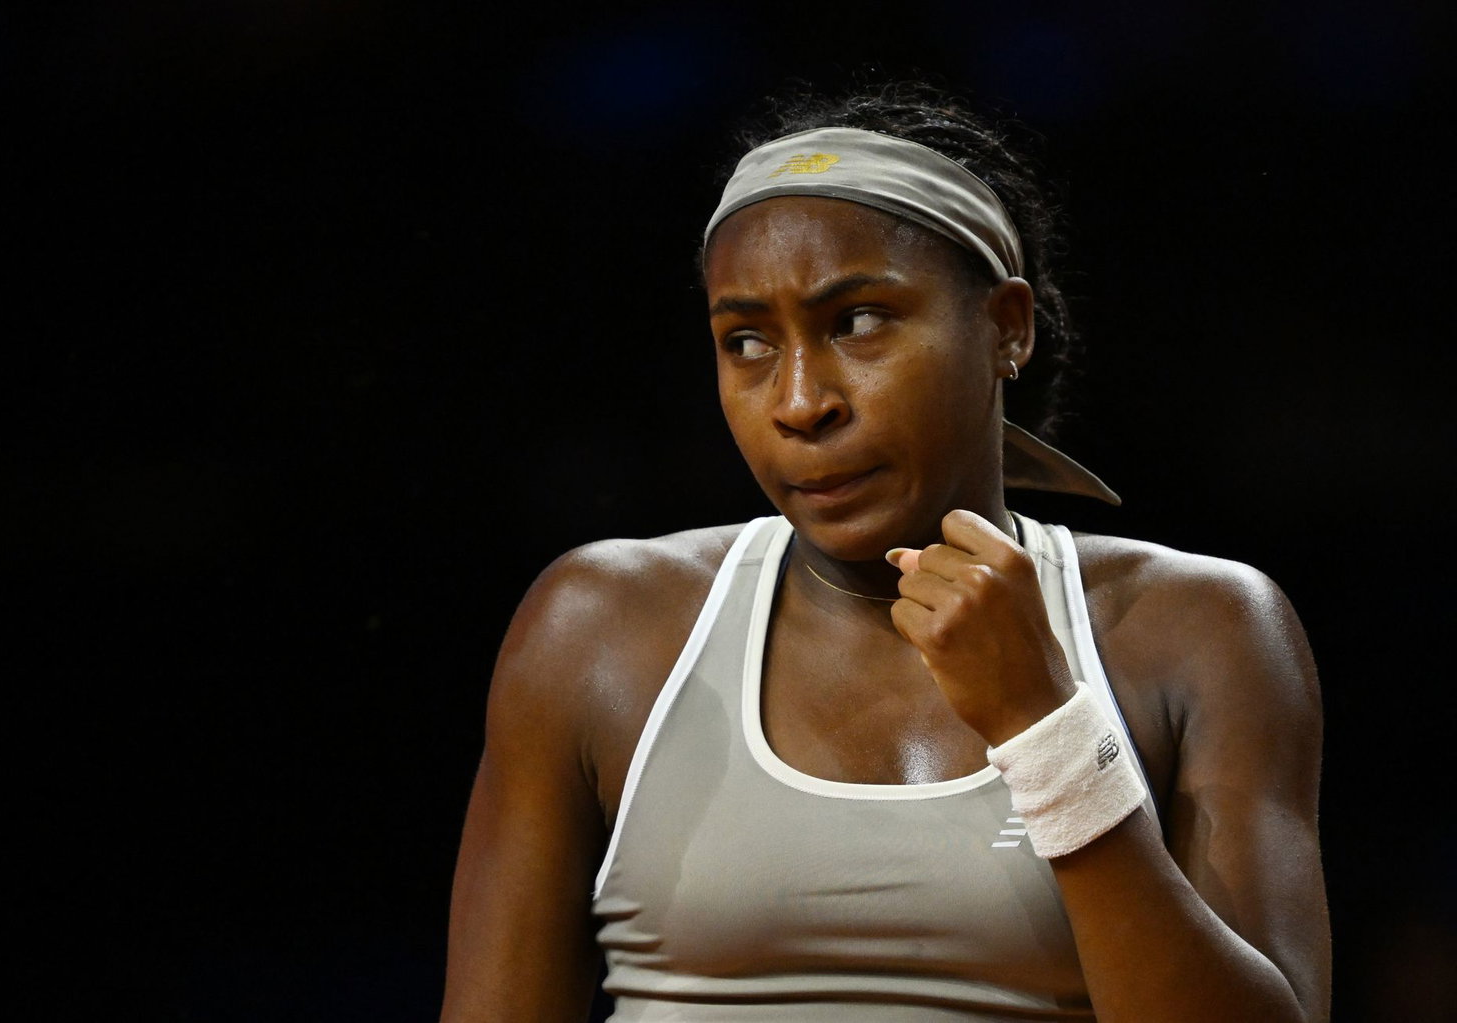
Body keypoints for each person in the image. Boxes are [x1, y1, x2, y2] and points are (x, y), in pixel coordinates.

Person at [440, 81, 1330, 1022]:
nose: (798, 401)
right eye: (745, 341)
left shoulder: (1204, 630)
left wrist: (1048, 731)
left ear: (1005, 328)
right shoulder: (594, 628)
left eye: (856, 322)